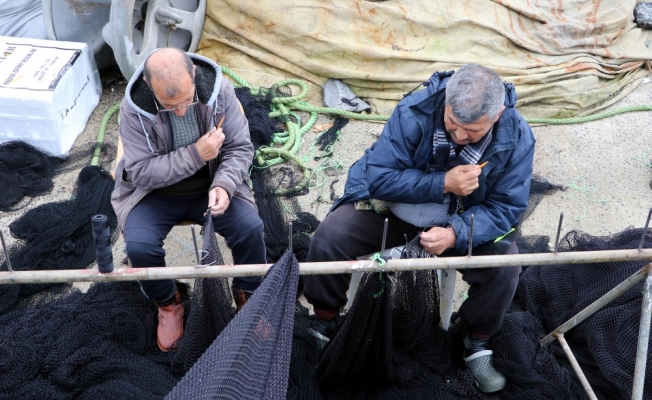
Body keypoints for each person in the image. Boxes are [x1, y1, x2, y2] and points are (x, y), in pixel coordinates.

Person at [303, 64, 535, 393]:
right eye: (452, 124)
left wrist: (456, 234)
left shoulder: (518, 136)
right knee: (329, 238)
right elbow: (379, 178)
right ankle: (325, 321)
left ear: (497, 115)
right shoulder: (413, 111)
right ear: (446, 103)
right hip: (391, 212)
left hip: (460, 221)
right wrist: (443, 183)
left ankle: (476, 341)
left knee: (504, 264)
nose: (459, 136)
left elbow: (506, 208)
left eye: (472, 132)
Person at [111, 48, 266, 352]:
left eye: (186, 101)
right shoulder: (134, 109)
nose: (181, 111)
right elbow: (141, 173)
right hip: (154, 194)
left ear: (194, 73)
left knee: (250, 228)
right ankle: (169, 304)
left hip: (210, 185)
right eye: (170, 106)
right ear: (147, 82)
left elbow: (239, 148)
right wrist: (197, 154)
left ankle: (249, 293)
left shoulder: (219, 90)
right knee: (140, 247)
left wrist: (224, 184)